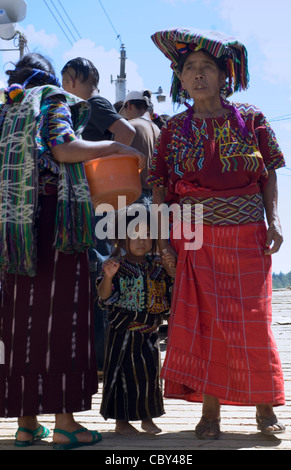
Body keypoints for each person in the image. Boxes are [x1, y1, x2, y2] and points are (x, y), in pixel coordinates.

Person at [0, 52, 145, 450]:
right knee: (63, 315)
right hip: (54, 224)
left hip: (15, 231)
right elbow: (63, 148)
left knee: (21, 322)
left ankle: (26, 424)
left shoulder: (7, 109)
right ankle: (66, 423)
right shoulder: (52, 98)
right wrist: (112, 151)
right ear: (50, 77)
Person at [148, 28, 286, 440]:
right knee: (205, 323)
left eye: (207, 66)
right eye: (190, 68)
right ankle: (210, 414)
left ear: (224, 75)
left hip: (247, 233)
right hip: (193, 233)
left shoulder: (252, 118)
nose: (199, 74)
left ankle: (265, 408)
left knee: (251, 322)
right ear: (181, 79)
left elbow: (269, 175)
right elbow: (160, 187)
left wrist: (274, 219)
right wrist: (160, 241)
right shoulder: (172, 130)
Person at [61, 57, 136, 377]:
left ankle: (103, 358)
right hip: (83, 199)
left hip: (94, 198)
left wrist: (102, 160)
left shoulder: (93, 102)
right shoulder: (72, 108)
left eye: (68, 79)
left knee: (100, 269)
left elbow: (127, 132)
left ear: (72, 79)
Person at [96, 207, 175, 436]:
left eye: (148, 234)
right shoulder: (115, 266)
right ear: (122, 238)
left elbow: (172, 288)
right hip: (123, 331)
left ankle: (147, 417)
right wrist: (109, 277)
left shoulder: (157, 267)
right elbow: (103, 296)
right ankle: (121, 421)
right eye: (136, 235)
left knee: (149, 375)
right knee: (122, 375)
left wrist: (172, 269)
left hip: (150, 330)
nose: (142, 240)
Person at [120, 90, 161, 200]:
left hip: (134, 195)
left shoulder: (130, 127)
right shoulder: (159, 130)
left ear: (128, 105)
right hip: (155, 197)